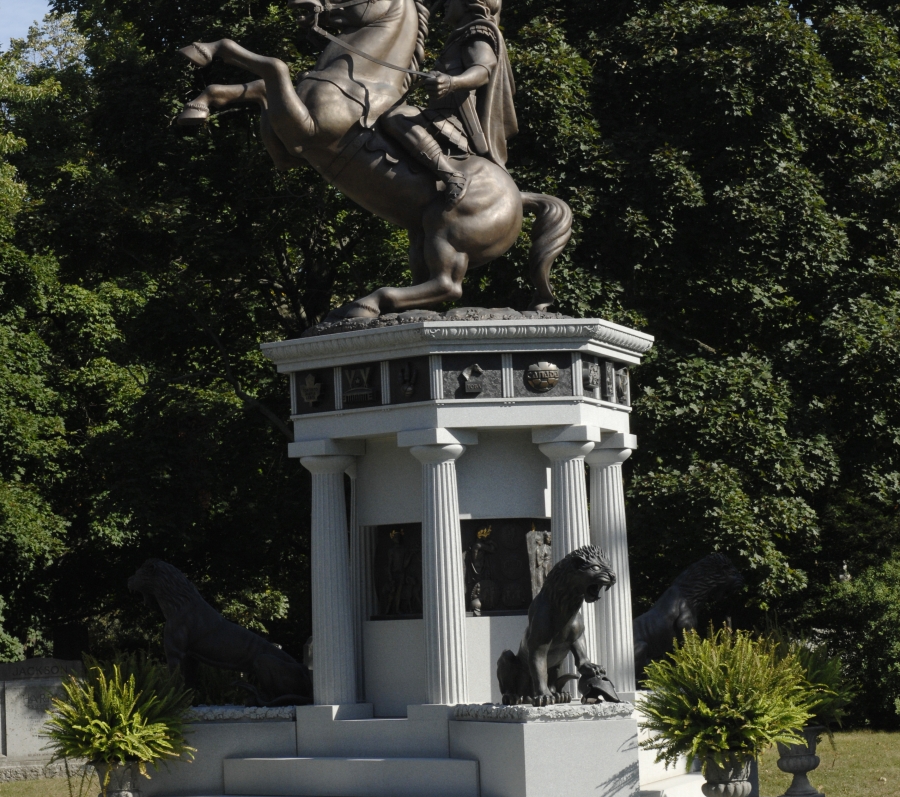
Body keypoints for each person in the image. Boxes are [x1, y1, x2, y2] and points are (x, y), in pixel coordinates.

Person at [380, 0, 517, 204]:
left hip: (457, 124)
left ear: (466, 4)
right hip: (440, 117)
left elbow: (483, 69)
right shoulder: (458, 37)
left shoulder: (477, 31)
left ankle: (452, 177)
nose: (445, 4)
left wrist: (452, 82)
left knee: (397, 118)